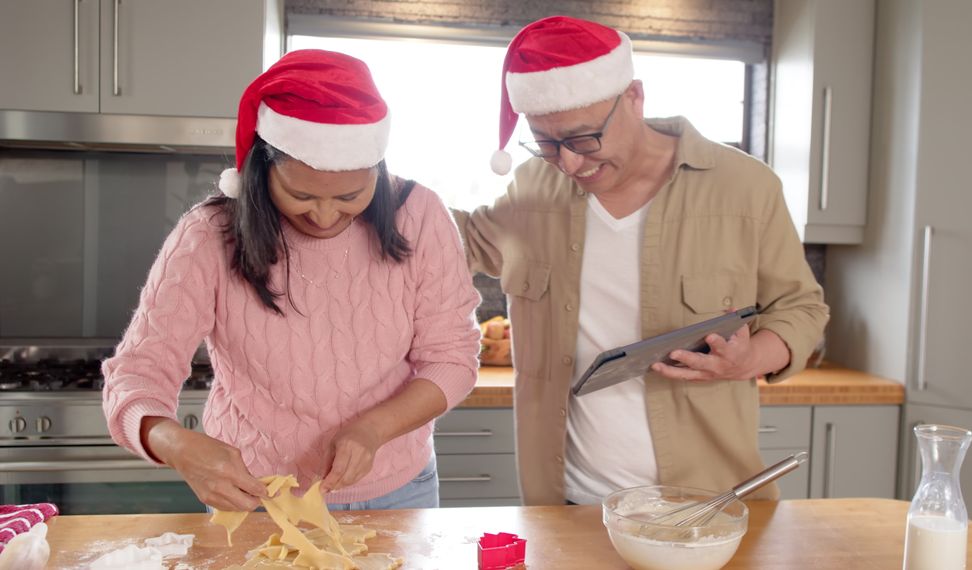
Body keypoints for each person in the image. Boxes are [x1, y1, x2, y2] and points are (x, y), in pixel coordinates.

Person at [453, 16, 829, 506]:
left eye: (584, 138)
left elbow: (801, 309)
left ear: (634, 97)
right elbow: (455, 241)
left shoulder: (745, 187)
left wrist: (751, 358)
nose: (569, 163)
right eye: (546, 143)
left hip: (704, 505)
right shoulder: (532, 188)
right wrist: (364, 184)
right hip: (568, 505)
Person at [102, 49, 481, 512]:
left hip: (398, 491)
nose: (324, 216)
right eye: (300, 195)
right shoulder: (209, 235)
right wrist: (176, 444)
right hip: (257, 499)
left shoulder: (419, 215)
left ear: (376, 172)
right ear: (262, 170)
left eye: (350, 195)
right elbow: (137, 373)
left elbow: (453, 359)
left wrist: (373, 429)